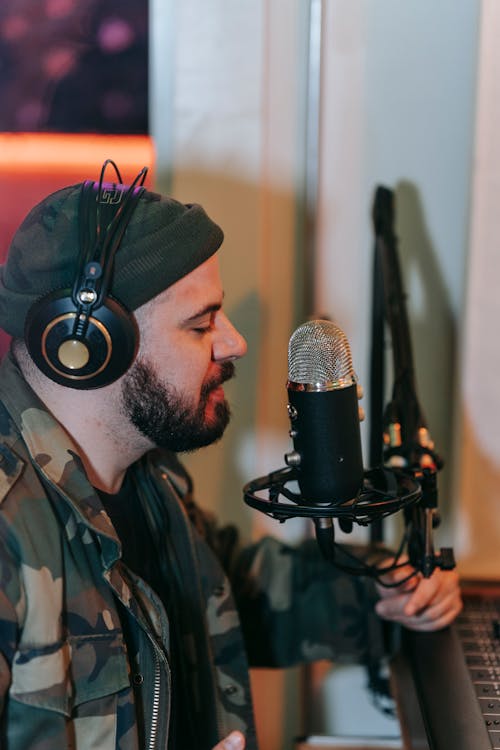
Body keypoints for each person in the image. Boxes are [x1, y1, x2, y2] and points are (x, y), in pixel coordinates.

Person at [0, 164, 461, 750]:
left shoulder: (147, 476)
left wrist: (386, 594)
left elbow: (225, 598)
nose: (234, 342)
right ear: (87, 348)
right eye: (201, 325)